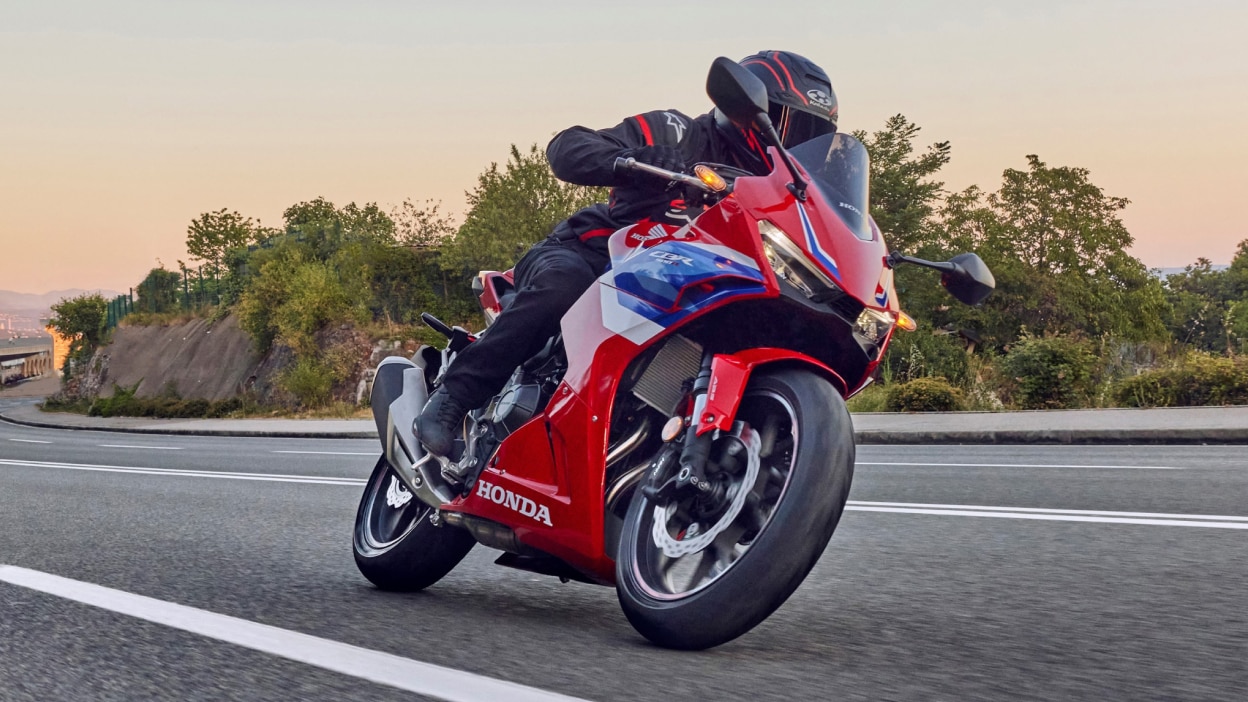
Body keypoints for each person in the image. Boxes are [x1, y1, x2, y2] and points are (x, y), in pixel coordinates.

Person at [417, 50, 839, 458]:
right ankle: (455, 397)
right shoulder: (682, 132)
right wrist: (630, 158)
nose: (794, 139)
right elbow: (568, 147)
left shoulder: (784, 191)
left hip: (689, 285)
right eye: (791, 123)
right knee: (563, 287)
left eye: (810, 133)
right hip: (597, 253)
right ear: (746, 108)